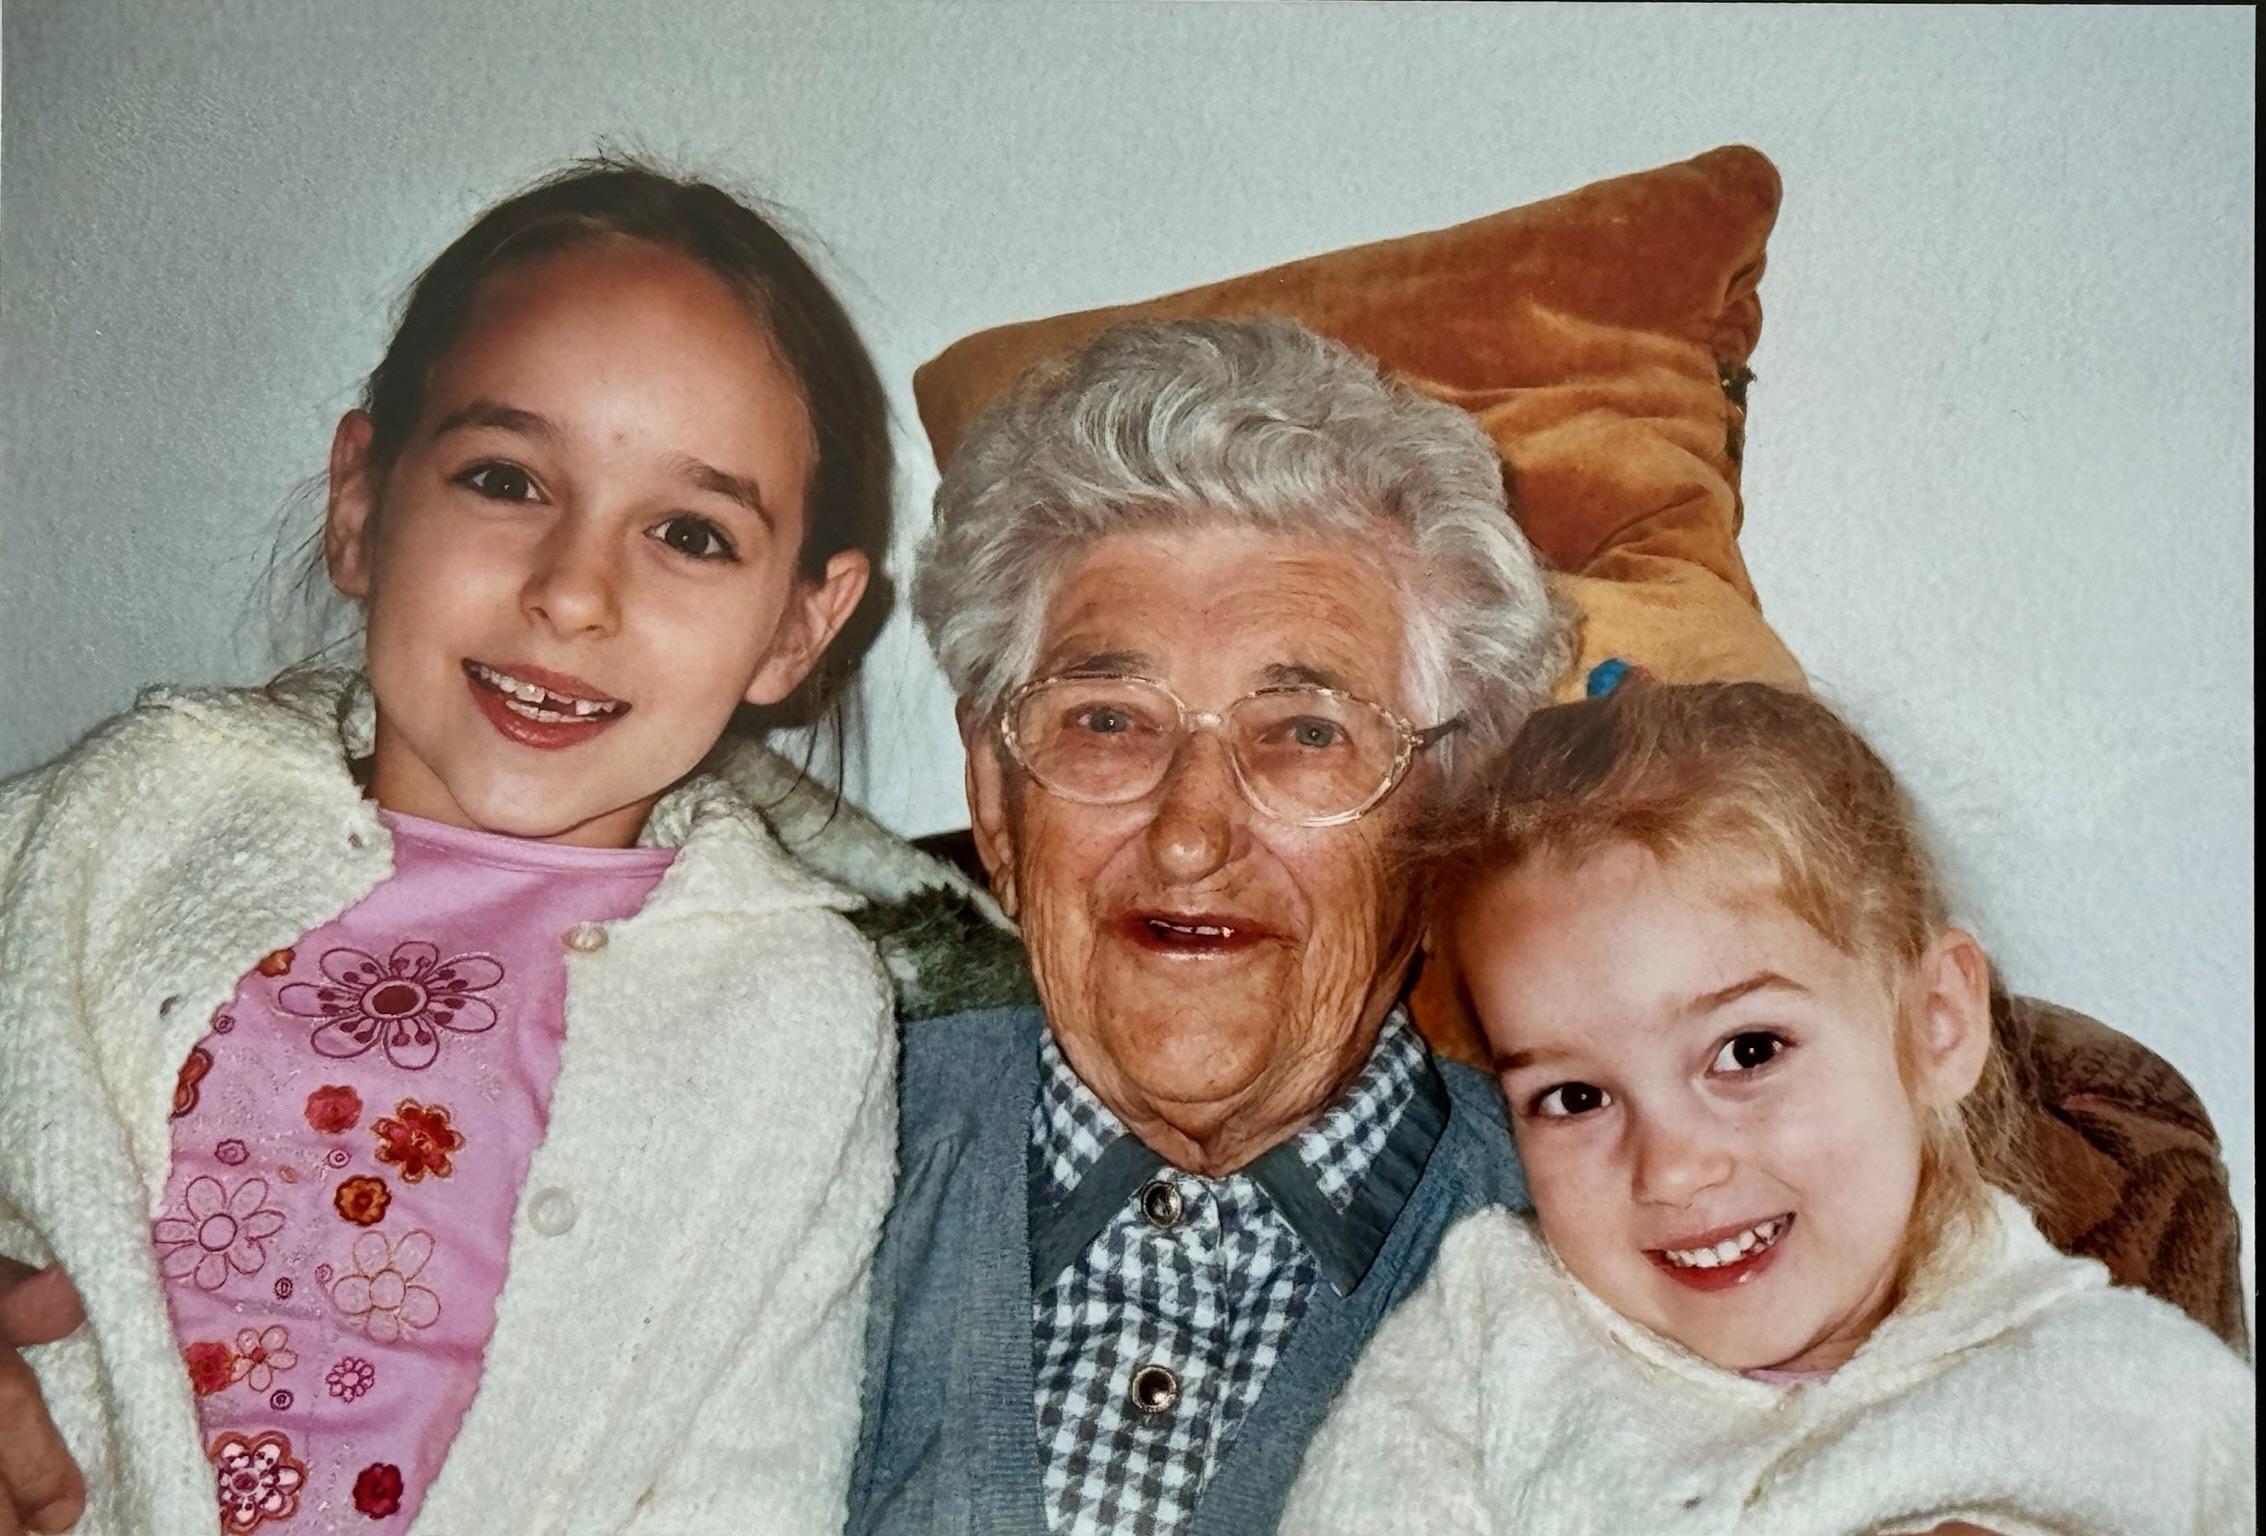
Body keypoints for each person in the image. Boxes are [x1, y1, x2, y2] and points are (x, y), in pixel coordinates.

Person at [0, 158, 907, 1536]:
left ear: (799, 625)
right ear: (362, 503)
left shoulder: (797, 1012)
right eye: (505, 477)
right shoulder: (125, 818)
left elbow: (751, 1478)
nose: (573, 593)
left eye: (688, 532)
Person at [847, 315, 1570, 1536]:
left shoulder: (1610, 1236)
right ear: (996, 801)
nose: (1189, 835)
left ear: (1449, 822)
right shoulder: (807, 1148)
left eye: (1304, 733)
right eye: (1107, 721)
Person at [1280, 680, 2256, 1535]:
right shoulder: (1487, 1341)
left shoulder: (2142, 1398)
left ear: (1937, 1023)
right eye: (1573, 1097)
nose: (1671, 1168)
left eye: (1748, 1052)